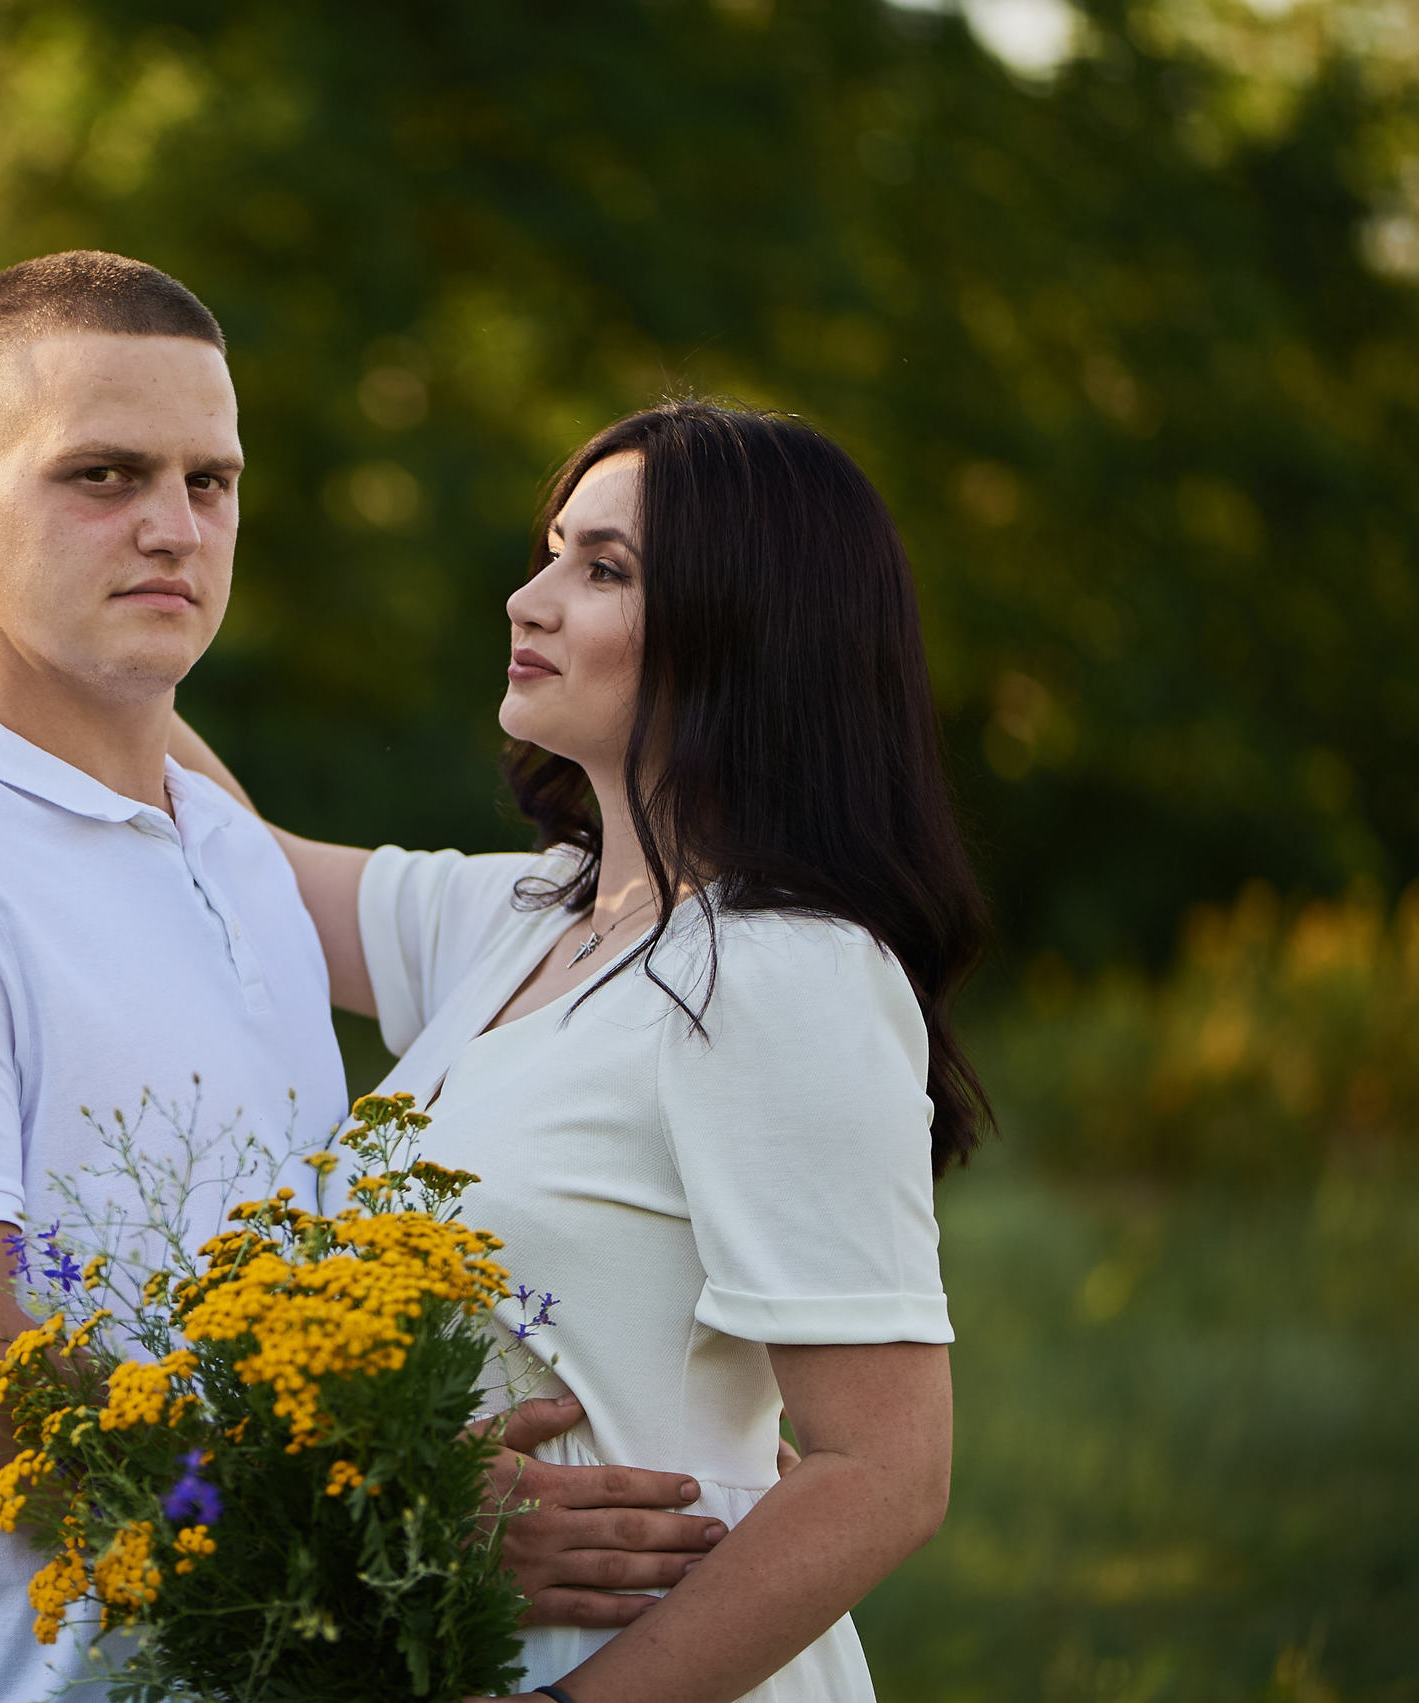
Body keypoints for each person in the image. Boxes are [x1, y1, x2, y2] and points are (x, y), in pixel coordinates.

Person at [0, 254, 727, 1701]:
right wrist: (385, 1523)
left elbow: (129, 763)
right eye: (101, 475)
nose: (171, 528)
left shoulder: (228, 853)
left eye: (211, 482)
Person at [170, 400, 987, 1702]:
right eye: (552, 550)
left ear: (748, 632)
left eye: (602, 570)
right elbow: (227, 850)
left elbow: (884, 1473)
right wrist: (39, 630)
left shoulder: (784, 970)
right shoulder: (529, 915)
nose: (527, 598)